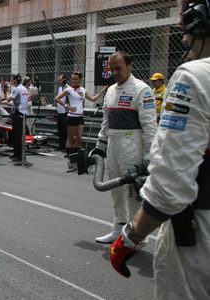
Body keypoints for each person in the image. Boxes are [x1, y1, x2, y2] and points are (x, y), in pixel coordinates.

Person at [108, 2, 210, 298]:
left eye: (188, 32)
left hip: (198, 230)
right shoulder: (113, 91)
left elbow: (170, 186)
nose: (184, 40)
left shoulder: (193, 76)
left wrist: (130, 238)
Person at [93, 50, 157, 244]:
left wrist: (148, 155)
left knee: (133, 191)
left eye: (118, 68)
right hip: (113, 144)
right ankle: (118, 228)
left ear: (129, 66)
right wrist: (99, 146)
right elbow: (106, 122)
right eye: (111, 69)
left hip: (133, 145)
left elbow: (150, 126)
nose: (114, 72)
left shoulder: (142, 89)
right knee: (115, 189)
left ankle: (136, 234)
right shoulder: (111, 90)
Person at [54, 72, 107, 172]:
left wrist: (102, 91)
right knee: (70, 139)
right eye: (72, 79)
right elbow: (57, 98)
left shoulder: (82, 90)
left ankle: (78, 161)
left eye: (76, 79)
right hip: (71, 117)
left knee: (79, 139)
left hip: (80, 117)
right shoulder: (69, 89)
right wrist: (67, 106)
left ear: (80, 80)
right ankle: (70, 161)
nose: (74, 81)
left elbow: (92, 99)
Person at [4, 74, 30, 163]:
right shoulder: (24, 89)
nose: (11, 82)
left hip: (18, 113)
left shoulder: (16, 89)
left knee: (17, 135)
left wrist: (7, 90)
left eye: (12, 80)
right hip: (23, 113)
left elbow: (8, 99)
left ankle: (18, 155)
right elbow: (18, 101)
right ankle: (18, 154)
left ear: (15, 80)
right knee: (20, 135)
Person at [55, 75, 70, 151]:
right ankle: (61, 145)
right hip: (60, 111)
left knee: (65, 130)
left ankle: (66, 146)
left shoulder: (68, 88)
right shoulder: (60, 88)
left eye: (60, 80)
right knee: (60, 130)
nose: (59, 82)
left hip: (65, 111)